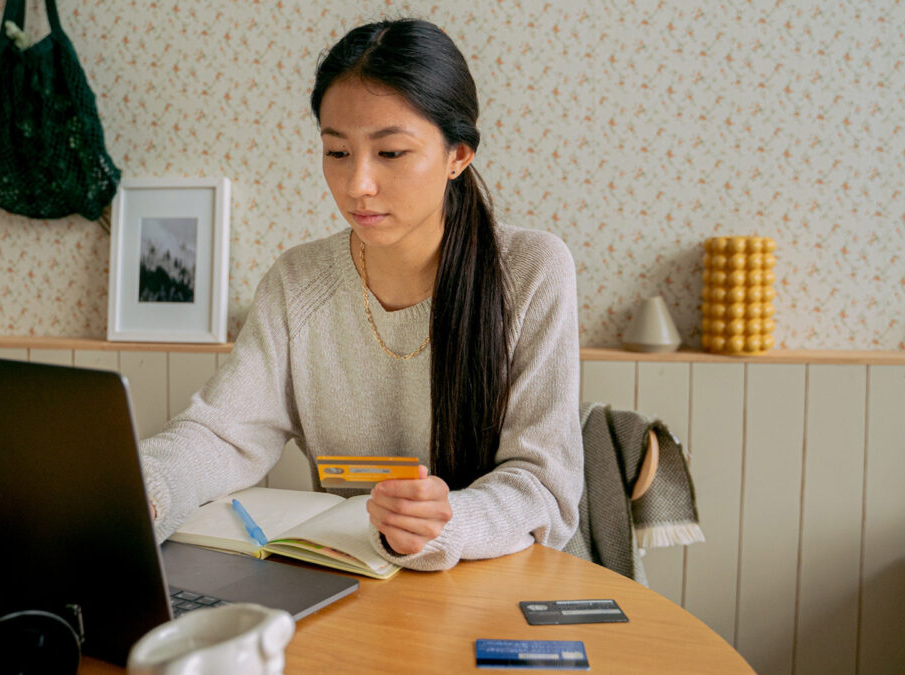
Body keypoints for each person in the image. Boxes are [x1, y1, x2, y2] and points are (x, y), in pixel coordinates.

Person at [139, 18, 582, 571]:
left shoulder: (532, 270)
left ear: (458, 155)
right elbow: (225, 435)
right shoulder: (297, 280)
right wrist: (142, 489)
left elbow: (542, 484)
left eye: (391, 153)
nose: (357, 186)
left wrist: (447, 523)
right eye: (338, 153)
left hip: (500, 582)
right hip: (356, 583)